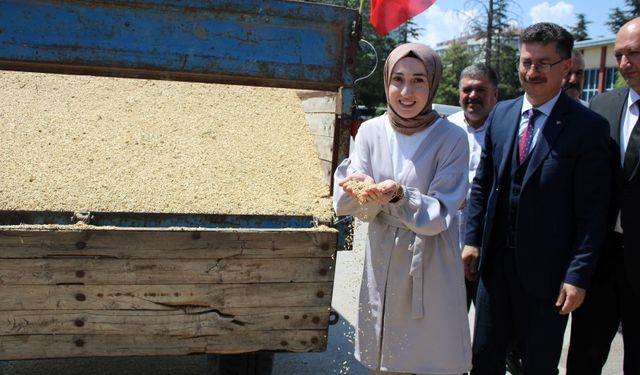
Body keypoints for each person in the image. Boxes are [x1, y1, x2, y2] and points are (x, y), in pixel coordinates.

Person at [462, 22, 611, 374]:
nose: (532, 72)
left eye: (543, 63)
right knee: (483, 358)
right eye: (526, 61)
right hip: (495, 271)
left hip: (548, 279)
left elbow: (593, 212)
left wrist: (578, 275)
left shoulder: (588, 128)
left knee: (539, 366)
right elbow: (484, 183)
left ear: (565, 68)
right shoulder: (501, 113)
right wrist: (471, 239)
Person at [333, 43, 471, 375]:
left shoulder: (452, 137)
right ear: (387, 82)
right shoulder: (370, 131)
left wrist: (399, 196)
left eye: (418, 80)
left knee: (431, 358)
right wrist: (360, 190)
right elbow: (355, 207)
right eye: (398, 79)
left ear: (433, 83)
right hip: (383, 258)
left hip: (432, 264)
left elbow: (439, 214)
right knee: (385, 361)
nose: (406, 91)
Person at [566, 17, 640, 375]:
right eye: (620, 55)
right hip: (601, 263)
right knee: (584, 358)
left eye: (635, 54)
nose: (624, 64)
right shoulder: (602, 107)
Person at [448, 63, 499, 309]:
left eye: (480, 89)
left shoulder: (506, 130)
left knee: (490, 332)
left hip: (489, 253)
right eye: (467, 89)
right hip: (447, 249)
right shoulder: (445, 129)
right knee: (446, 329)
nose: (473, 96)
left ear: (495, 95)